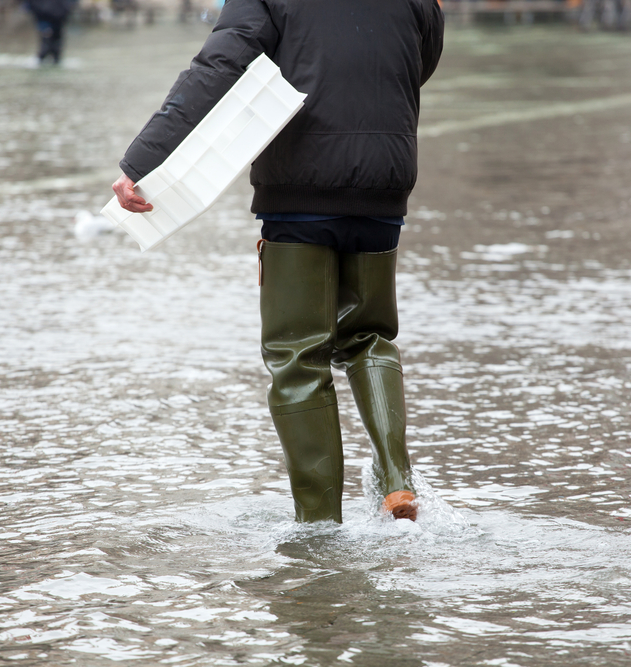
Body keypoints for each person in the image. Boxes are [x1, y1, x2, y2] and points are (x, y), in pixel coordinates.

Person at [112, 0, 444, 523]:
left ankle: (319, 528)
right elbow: (421, 57)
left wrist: (144, 159)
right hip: (387, 175)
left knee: (298, 357)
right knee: (371, 335)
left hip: (300, 180)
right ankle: (397, 479)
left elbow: (219, 67)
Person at [26, 0, 75, 65]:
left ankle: (53, 59)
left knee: (56, 43)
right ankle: (43, 59)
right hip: (45, 17)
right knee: (46, 42)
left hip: (58, 17)